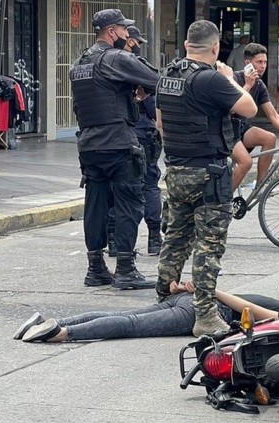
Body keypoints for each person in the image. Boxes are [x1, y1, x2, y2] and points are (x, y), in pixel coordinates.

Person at [155, 20, 257, 337]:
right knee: (208, 247)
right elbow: (250, 108)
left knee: (176, 236)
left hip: (175, 170)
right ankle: (205, 315)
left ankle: (163, 293)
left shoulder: (168, 77)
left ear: (186, 45)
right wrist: (230, 77)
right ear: (215, 49)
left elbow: (160, 124)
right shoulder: (212, 79)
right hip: (208, 173)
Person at [69, 9, 159, 290]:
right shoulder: (116, 57)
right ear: (112, 32)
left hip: (89, 145)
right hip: (119, 143)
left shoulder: (79, 63)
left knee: (95, 205)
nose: (126, 35)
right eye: (124, 30)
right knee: (128, 204)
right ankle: (125, 268)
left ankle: (95, 268)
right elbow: (155, 78)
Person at [13, 280, 279, 342]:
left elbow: (258, 311)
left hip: (192, 301)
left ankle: (51, 324)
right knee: (130, 323)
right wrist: (208, 289)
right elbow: (248, 309)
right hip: (198, 308)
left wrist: (204, 289)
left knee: (125, 317)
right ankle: (61, 332)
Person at [230, 43, 279, 190]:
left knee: (270, 138)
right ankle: (224, 202)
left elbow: (272, 114)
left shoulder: (260, 85)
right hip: (227, 130)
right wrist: (248, 85)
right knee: (245, 162)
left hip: (242, 128)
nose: (263, 66)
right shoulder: (234, 78)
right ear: (248, 63)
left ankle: (260, 186)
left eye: (265, 62)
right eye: (259, 62)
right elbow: (233, 107)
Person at [127, 26, 163, 256]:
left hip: (121, 137)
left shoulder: (105, 64)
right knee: (149, 185)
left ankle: (117, 242)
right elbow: (153, 107)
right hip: (145, 135)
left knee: (123, 189)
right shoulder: (140, 67)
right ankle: (154, 238)